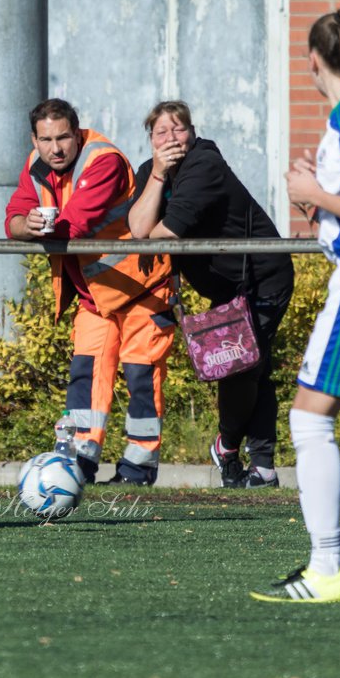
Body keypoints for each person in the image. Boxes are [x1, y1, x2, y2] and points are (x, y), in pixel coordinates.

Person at [251, 7, 340, 604]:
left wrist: (311, 192)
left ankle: (326, 569)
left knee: (308, 420)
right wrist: (323, 200)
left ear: (312, 61)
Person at [5, 98, 175, 485]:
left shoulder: (104, 160)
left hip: (141, 288)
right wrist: (26, 225)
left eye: (63, 137)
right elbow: (13, 216)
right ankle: (78, 464)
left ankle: (138, 468)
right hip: (95, 296)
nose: (56, 148)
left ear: (78, 134)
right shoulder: (36, 164)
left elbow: (76, 224)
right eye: (46, 139)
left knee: (141, 377)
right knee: (86, 376)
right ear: (35, 138)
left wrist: (36, 227)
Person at [128, 101, 295, 488]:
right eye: (161, 133)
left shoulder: (205, 164)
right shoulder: (149, 173)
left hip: (263, 276)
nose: (171, 139)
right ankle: (259, 465)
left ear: (193, 132)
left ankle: (232, 449)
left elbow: (161, 236)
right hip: (226, 289)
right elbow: (138, 229)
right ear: (151, 140)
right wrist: (156, 175)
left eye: (178, 129)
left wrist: (154, 223)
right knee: (253, 365)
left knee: (243, 364)